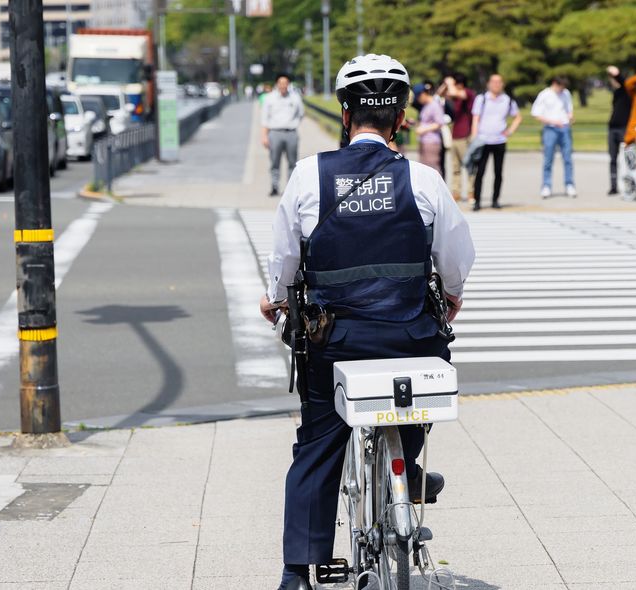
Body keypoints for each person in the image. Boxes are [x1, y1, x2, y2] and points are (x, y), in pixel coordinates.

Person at [257, 53, 475, 590]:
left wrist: (274, 298)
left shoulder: (310, 175)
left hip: (335, 341)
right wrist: (450, 295)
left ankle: (296, 573)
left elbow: (284, 257)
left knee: (317, 442)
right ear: (401, 117)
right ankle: (409, 458)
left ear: (343, 113)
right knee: (419, 383)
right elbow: (456, 259)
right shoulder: (422, 180)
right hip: (408, 336)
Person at [470, 74, 521, 211]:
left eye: (499, 82)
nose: (496, 84)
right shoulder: (482, 99)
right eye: (493, 82)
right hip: (483, 140)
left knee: (498, 172)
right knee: (479, 172)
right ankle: (477, 201)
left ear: (502, 84)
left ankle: (495, 200)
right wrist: (474, 137)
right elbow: (476, 118)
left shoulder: (507, 100)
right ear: (488, 84)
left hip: (499, 140)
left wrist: (509, 131)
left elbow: (517, 117)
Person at [531, 76, 577, 198]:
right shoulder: (545, 94)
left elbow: (569, 109)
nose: (562, 90)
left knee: (567, 158)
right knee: (548, 159)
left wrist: (570, 116)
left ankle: (569, 184)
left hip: (565, 128)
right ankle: (546, 186)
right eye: (560, 87)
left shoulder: (566, 93)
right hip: (550, 128)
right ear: (555, 84)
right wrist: (552, 121)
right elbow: (535, 114)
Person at [262, 73, 305, 196]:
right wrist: (264, 136)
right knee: (274, 161)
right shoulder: (269, 98)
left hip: (291, 132)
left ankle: (291, 189)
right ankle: (274, 186)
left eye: (285, 83)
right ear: (277, 84)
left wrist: (294, 123)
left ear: (288, 84)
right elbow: (264, 118)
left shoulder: (295, 97)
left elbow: (301, 113)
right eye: (280, 83)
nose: (283, 86)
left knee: (293, 162)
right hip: (275, 132)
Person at [442, 73, 475, 200]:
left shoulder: (467, 93)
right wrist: (446, 84)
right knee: (455, 167)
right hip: (454, 135)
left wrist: (450, 84)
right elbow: (440, 94)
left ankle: (471, 191)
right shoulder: (454, 93)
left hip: (464, 135)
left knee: (468, 165)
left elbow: (457, 93)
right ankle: (456, 192)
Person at [605, 66, 631, 195]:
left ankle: (631, 183)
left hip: (624, 128)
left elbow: (623, 83)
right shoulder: (616, 93)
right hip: (612, 128)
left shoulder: (627, 92)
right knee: (613, 158)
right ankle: (613, 186)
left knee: (629, 157)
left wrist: (617, 73)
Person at [415, 83, 445, 175]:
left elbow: (440, 123)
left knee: (432, 168)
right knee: (424, 168)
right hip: (424, 140)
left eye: (418, 96)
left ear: (423, 94)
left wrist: (424, 129)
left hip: (432, 141)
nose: (417, 99)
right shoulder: (426, 106)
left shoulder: (434, 105)